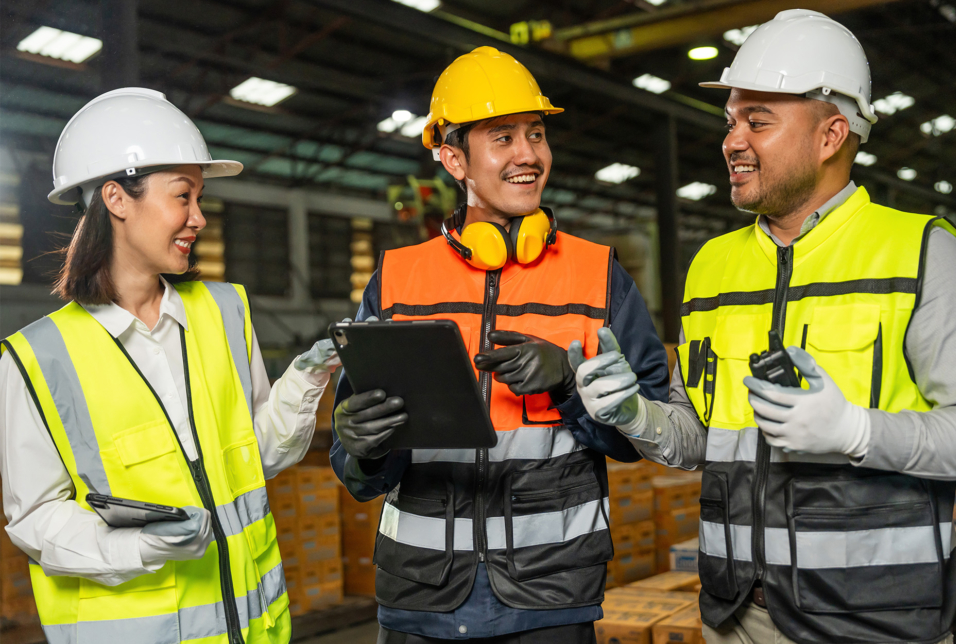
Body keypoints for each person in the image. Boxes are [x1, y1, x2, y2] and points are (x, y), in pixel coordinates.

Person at [568, 10, 956, 644]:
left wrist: (856, 431)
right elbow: (700, 438)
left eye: (757, 121)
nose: (732, 141)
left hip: (874, 621)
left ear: (831, 134)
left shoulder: (918, 252)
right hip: (735, 617)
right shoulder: (713, 266)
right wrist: (636, 417)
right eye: (730, 121)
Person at [329, 47, 669, 644]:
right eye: (503, 138)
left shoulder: (599, 276)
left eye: (536, 134)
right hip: (421, 601)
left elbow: (648, 437)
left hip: (550, 601)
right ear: (454, 159)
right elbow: (359, 473)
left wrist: (570, 385)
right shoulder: (397, 280)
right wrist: (361, 447)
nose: (528, 154)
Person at [0, 88, 340, 644]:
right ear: (116, 199)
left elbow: (257, 455)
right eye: (183, 195)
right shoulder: (38, 358)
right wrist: (136, 546)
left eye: (200, 197)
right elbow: (36, 518)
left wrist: (306, 378)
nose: (198, 218)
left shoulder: (225, 311)